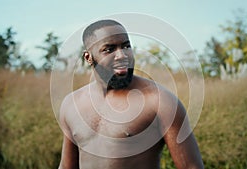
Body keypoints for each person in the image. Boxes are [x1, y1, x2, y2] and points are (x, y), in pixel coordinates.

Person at [58, 19, 204, 169]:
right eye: (109, 49)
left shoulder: (160, 102)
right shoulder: (71, 104)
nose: (122, 55)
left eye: (126, 46)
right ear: (89, 58)